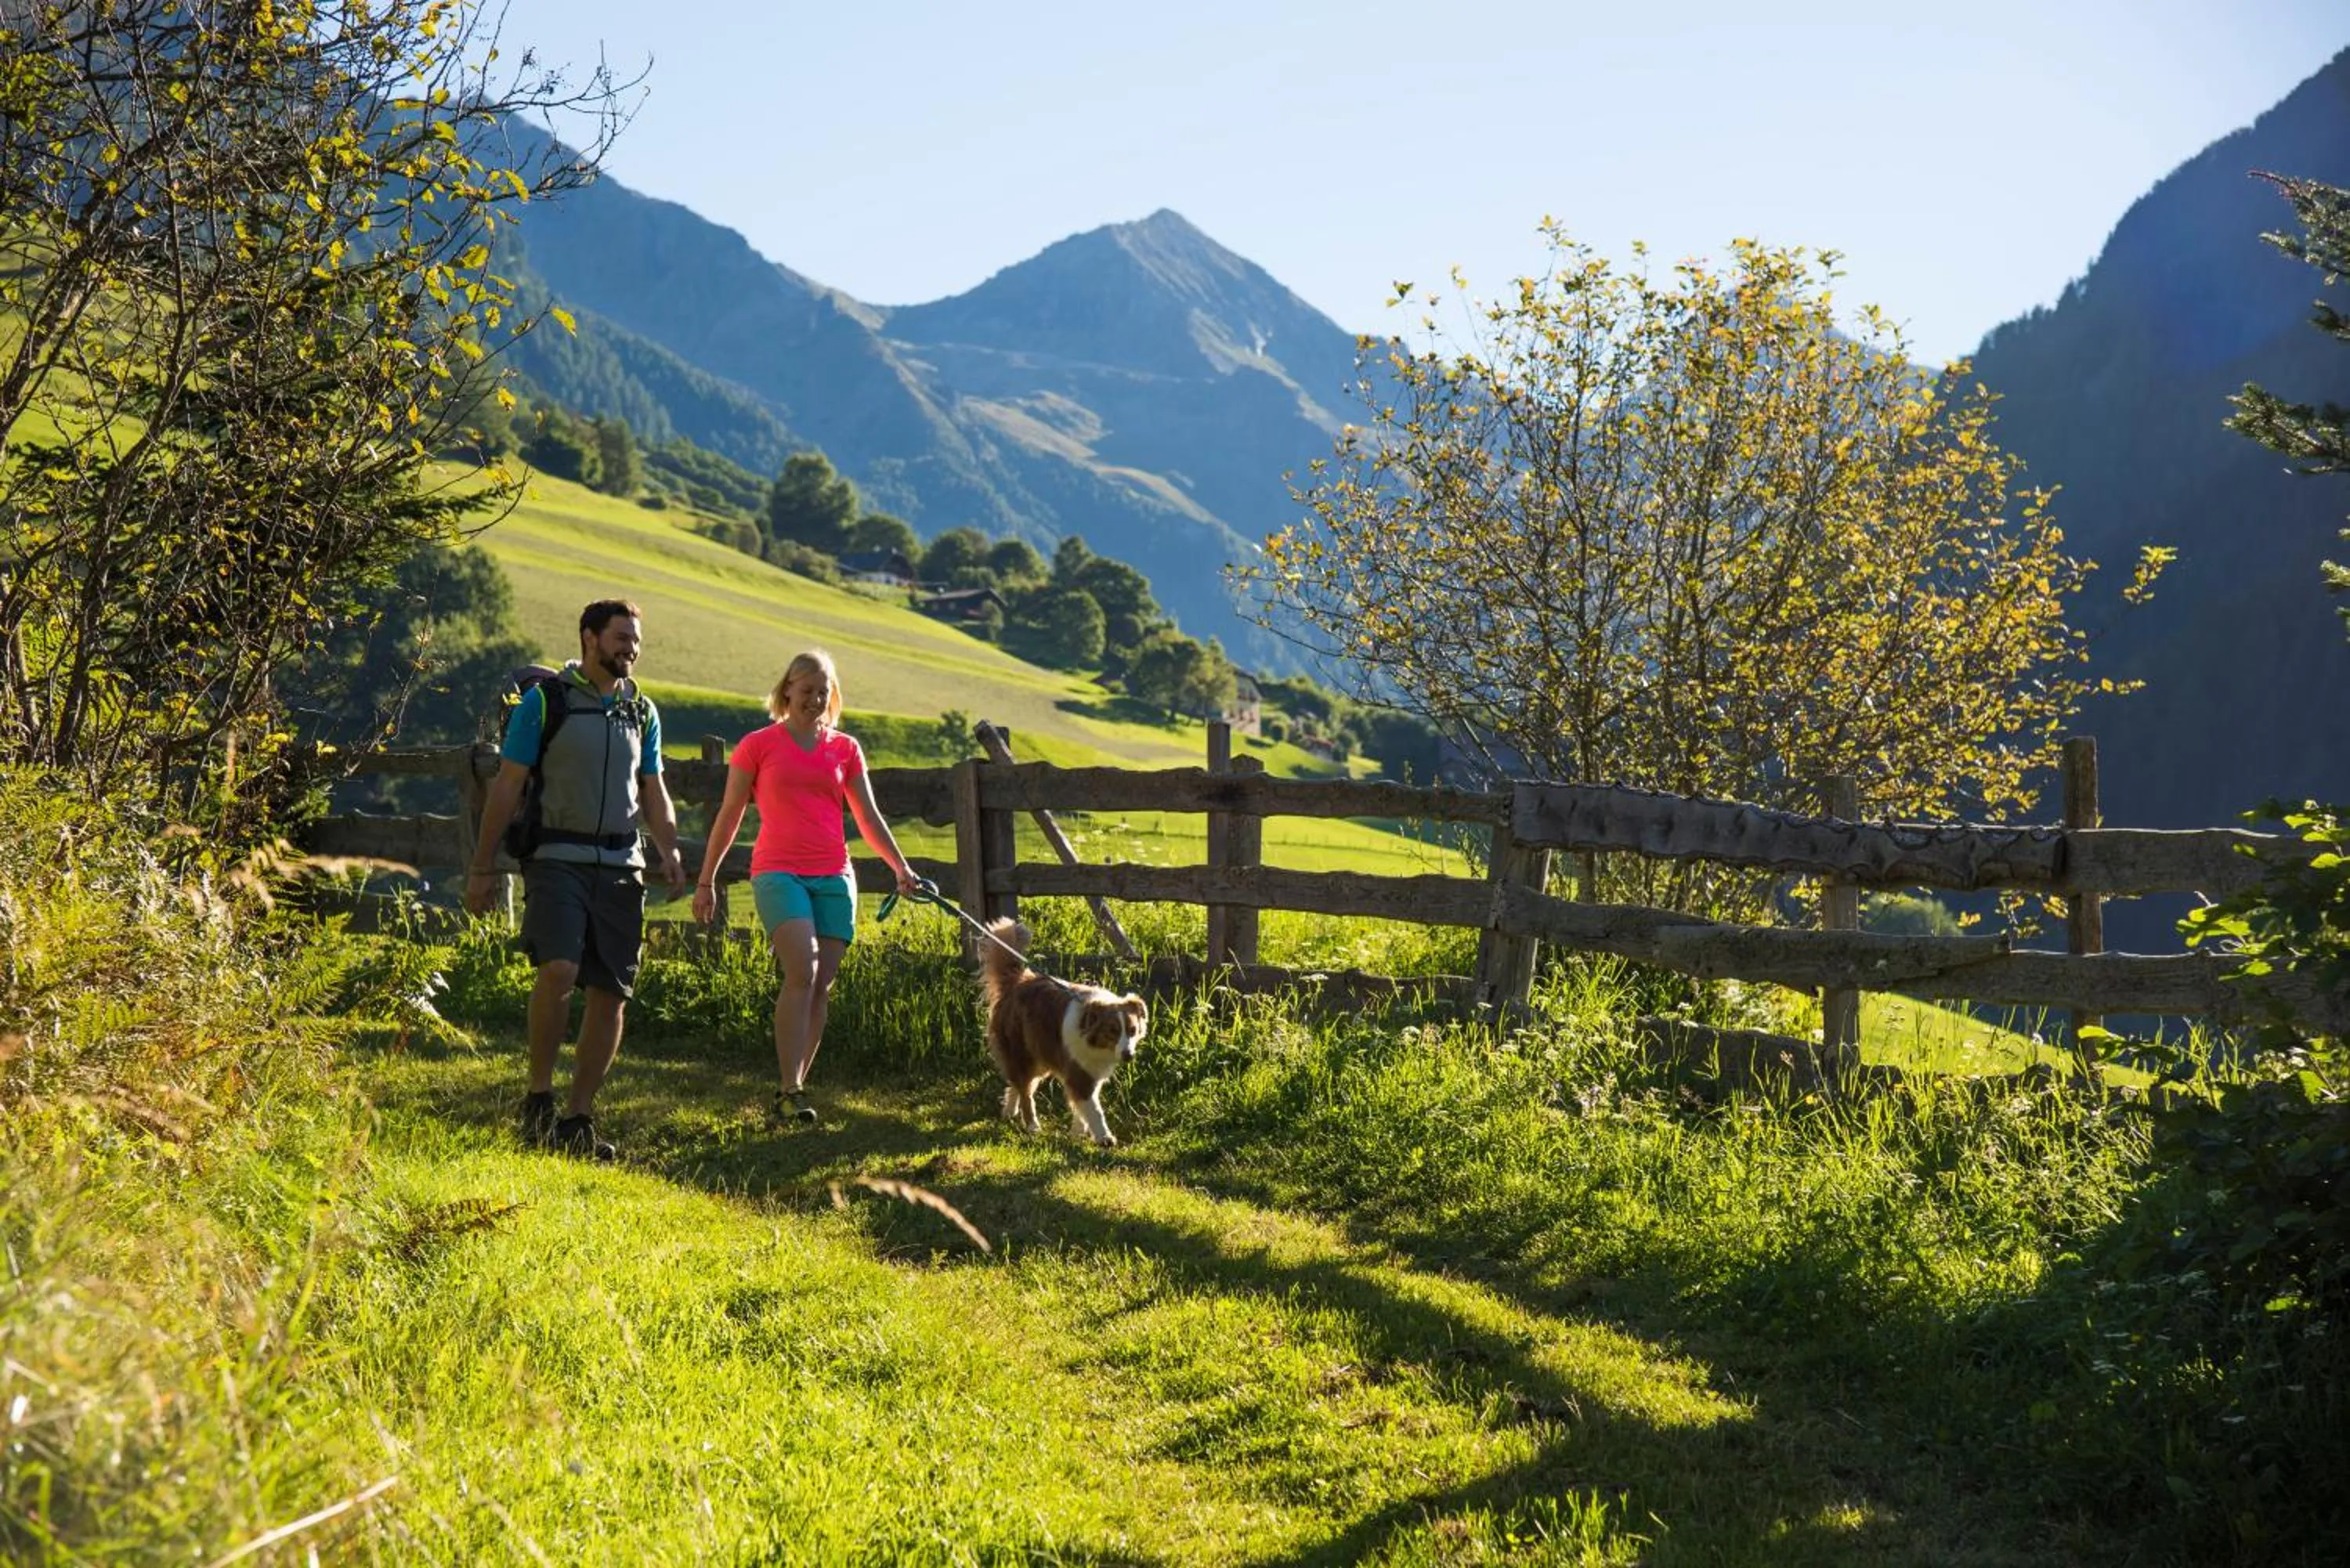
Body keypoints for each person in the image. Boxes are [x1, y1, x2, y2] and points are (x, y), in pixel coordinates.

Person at [465, 599, 685, 1160]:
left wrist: (669, 849)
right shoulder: (546, 703)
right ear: (589, 637)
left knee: (612, 994)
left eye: (635, 639)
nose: (630, 648)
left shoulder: (642, 711)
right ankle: (538, 1098)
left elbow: (653, 790)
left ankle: (578, 1117)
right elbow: (508, 786)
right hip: (556, 857)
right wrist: (483, 865)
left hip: (622, 866)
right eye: (620, 638)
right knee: (560, 968)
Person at [693, 649, 918, 1125]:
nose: (815, 699)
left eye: (823, 692)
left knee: (821, 984)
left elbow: (867, 816)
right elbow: (730, 814)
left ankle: (792, 1088)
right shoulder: (757, 745)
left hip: (835, 875)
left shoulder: (845, 749)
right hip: (778, 871)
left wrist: (900, 867)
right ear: (787, 690)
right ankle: (790, 1086)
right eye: (806, 690)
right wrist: (706, 879)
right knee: (803, 970)